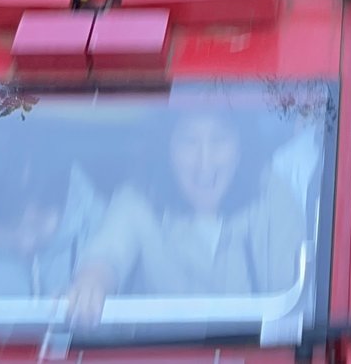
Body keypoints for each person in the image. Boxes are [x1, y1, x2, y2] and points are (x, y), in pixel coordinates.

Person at [67, 98, 305, 323]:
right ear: (166, 148)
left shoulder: (271, 194)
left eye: (219, 140)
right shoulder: (139, 198)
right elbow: (108, 252)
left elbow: (292, 299)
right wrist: (93, 280)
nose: (205, 162)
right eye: (189, 141)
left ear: (240, 147)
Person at [0, 143, 105, 299]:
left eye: (37, 224)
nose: (26, 243)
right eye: (11, 227)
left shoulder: (97, 230)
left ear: (65, 204)